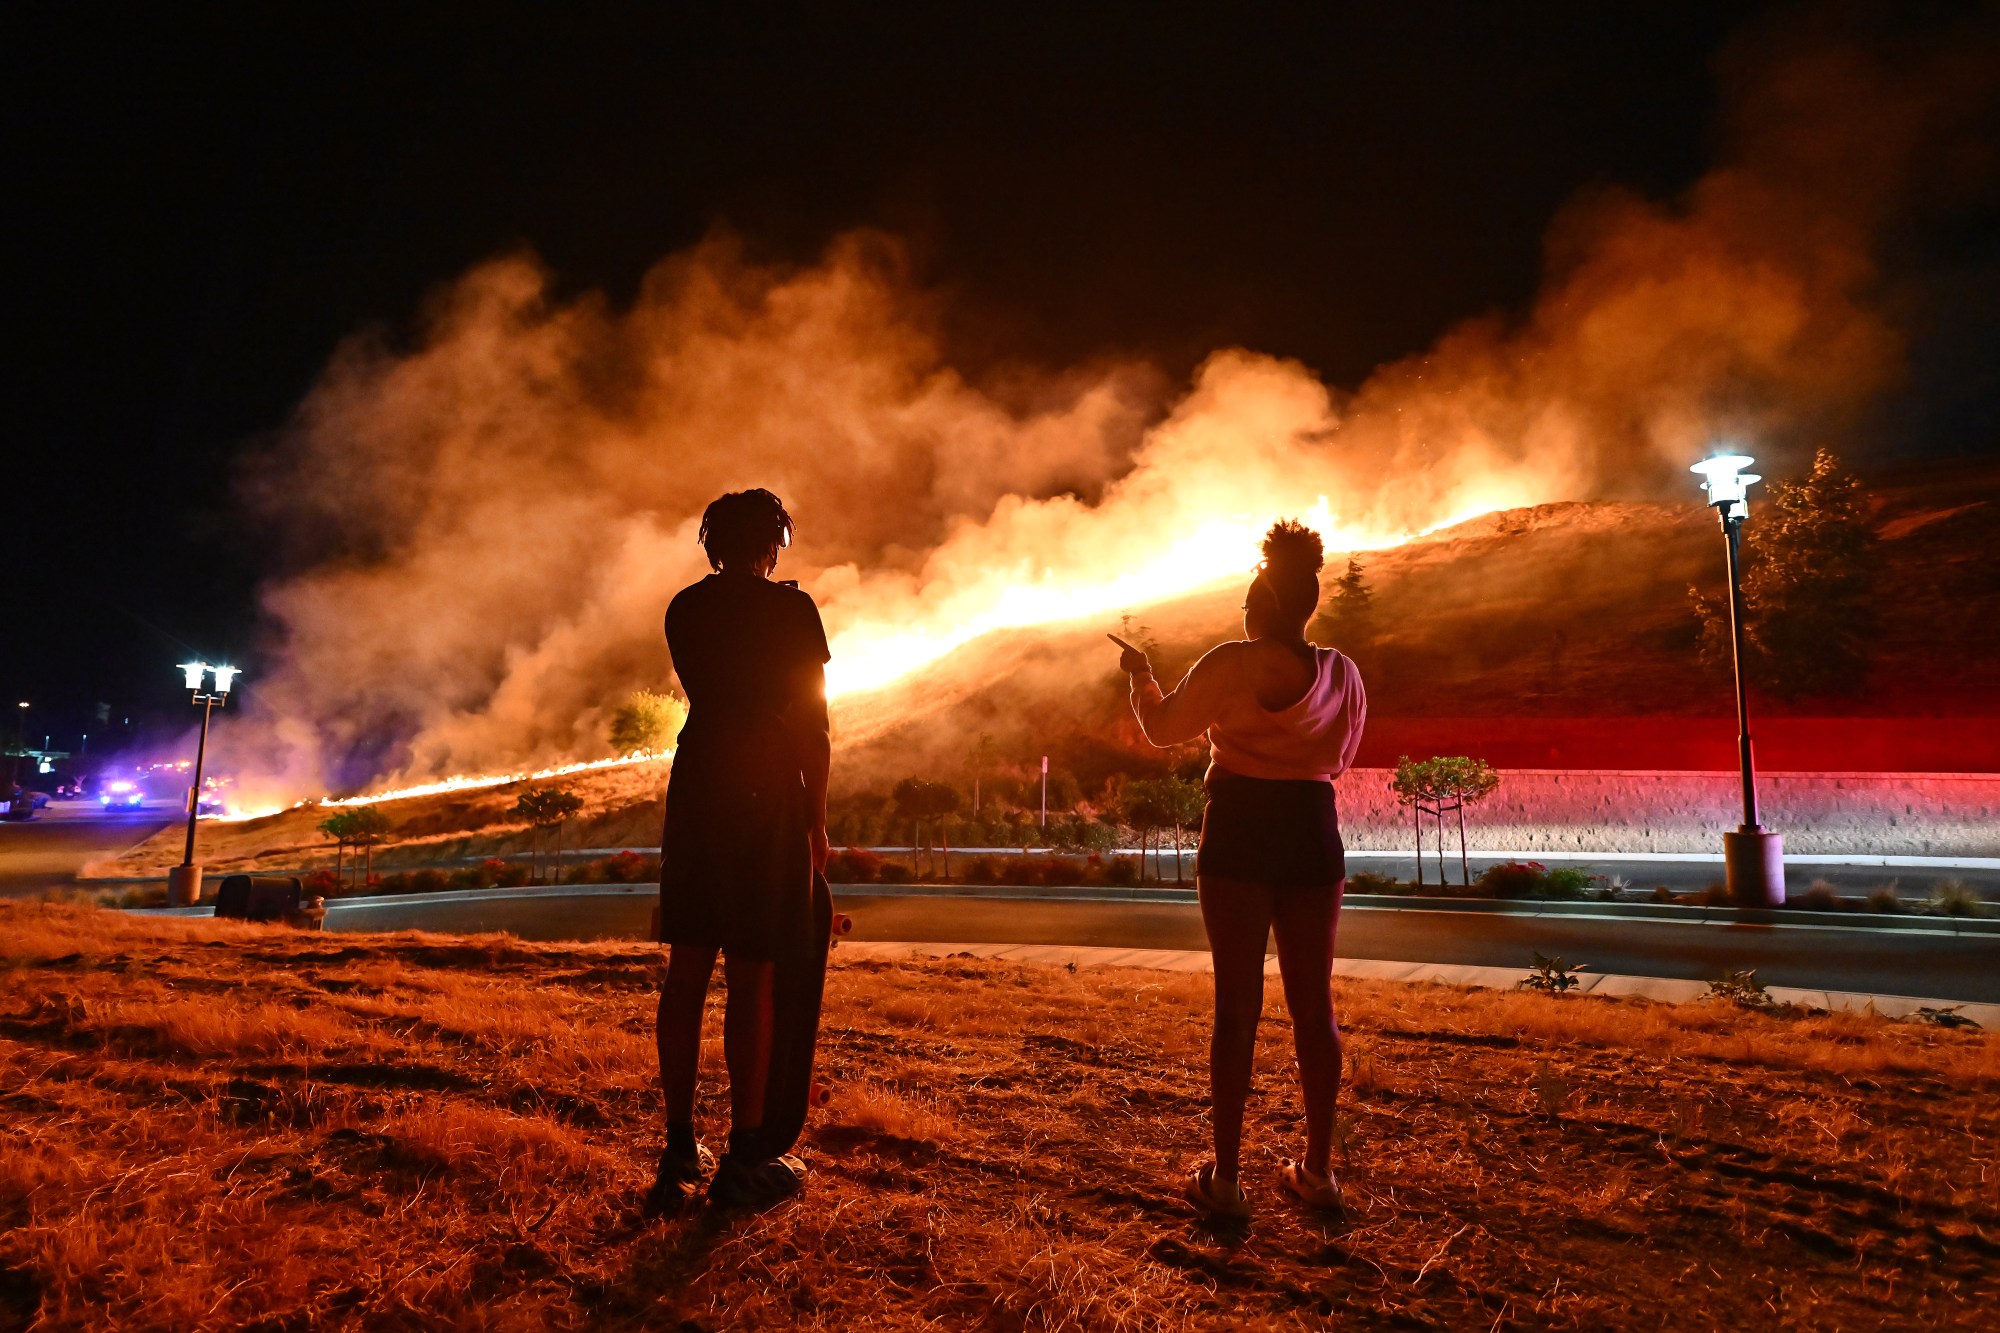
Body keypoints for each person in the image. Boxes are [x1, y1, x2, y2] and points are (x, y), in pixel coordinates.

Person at [1113, 519, 1366, 1222]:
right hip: (1313, 832)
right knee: (1315, 1008)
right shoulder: (1343, 673)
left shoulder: (1230, 662)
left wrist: (1142, 678)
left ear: (1258, 607)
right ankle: (1318, 1171)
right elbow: (1341, 759)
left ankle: (1226, 1179)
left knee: (1237, 1007)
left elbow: (1164, 728)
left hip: (1238, 831)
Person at [648, 488, 833, 1213]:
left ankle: (676, 1144)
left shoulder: (683, 609)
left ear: (711, 543)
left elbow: (710, 690)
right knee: (753, 974)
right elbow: (811, 726)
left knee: (688, 967)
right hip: (764, 788)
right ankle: (745, 1153)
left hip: (697, 782)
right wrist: (816, 821)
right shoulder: (792, 610)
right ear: (770, 544)